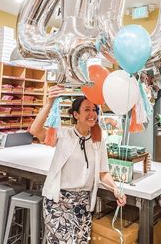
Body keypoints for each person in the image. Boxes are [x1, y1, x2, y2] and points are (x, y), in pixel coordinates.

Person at [30, 85, 126, 244]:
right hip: (58, 202)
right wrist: (49, 103)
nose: (92, 114)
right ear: (76, 114)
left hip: (84, 204)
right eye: (87, 109)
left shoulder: (98, 139)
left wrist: (116, 189)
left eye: (94, 109)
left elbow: (103, 172)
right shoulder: (64, 134)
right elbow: (36, 130)